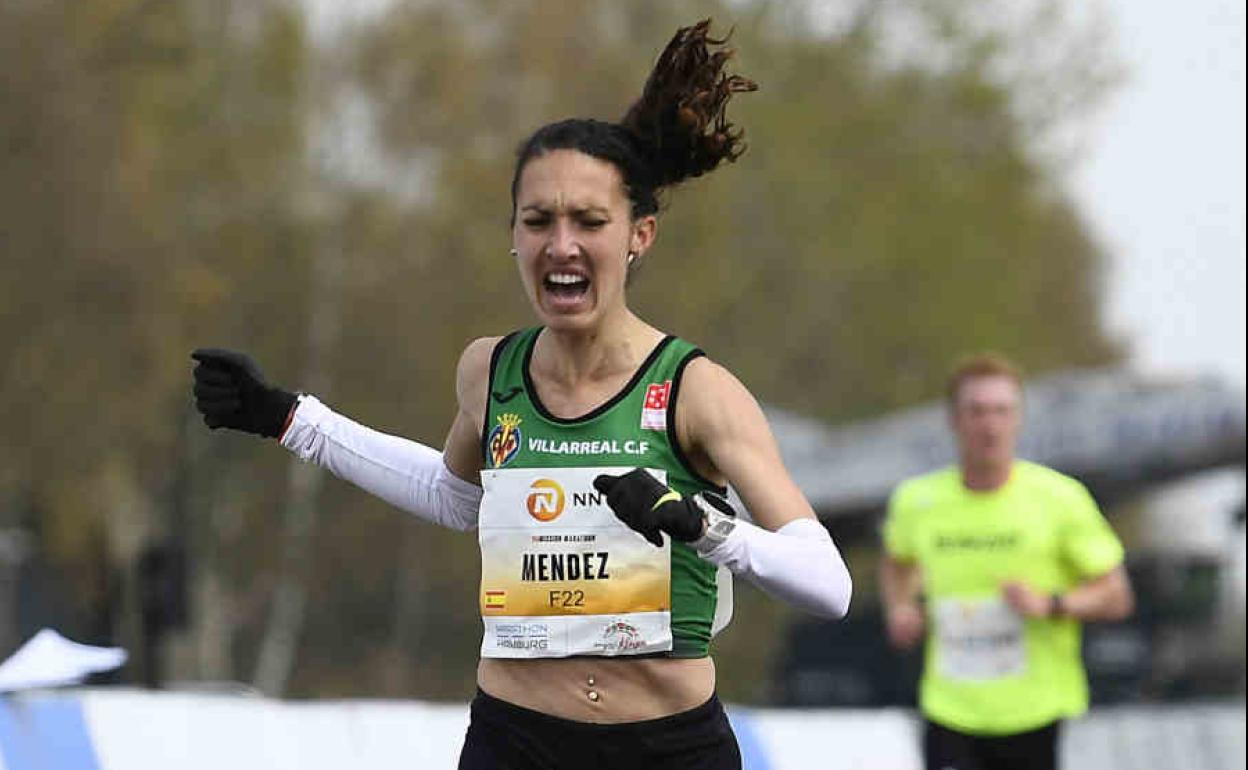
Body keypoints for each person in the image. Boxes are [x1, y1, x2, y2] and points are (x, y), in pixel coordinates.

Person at [190, 20, 851, 770]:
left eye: (589, 222)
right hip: (517, 741)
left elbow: (828, 585)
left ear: (641, 236)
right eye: (538, 221)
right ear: (513, 234)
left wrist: (698, 525)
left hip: (669, 748)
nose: (561, 246)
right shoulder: (489, 372)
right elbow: (457, 500)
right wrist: (287, 418)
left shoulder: (696, 389)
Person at [880, 353, 1135, 770]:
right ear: (954, 420)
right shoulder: (917, 500)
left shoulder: (1060, 498)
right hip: (951, 710)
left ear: (1019, 419)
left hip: (1036, 712)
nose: (990, 425)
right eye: (976, 411)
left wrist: (1051, 604)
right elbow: (897, 562)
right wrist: (901, 607)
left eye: (1002, 411)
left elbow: (1117, 596)